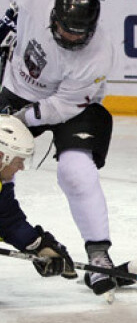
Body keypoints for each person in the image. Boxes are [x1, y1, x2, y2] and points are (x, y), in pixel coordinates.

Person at [0, 0, 116, 296]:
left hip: (68, 106)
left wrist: (18, 122)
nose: (69, 38)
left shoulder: (98, 55)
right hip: (14, 87)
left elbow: (60, 108)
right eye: (65, 29)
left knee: (76, 173)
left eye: (78, 34)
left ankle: (99, 257)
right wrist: (10, 21)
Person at [0, 114, 77, 280]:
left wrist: (39, 245)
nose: (20, 167)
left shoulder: (3, 182)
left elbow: (8, 222)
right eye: (18, 161)